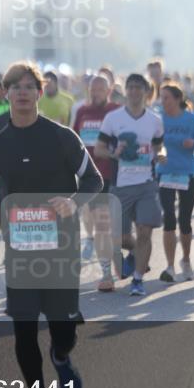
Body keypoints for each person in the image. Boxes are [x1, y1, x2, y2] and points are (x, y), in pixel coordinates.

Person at [0, 62, 102, 388]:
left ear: (40, 93)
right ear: (6, 93)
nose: (23, 92)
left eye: (30, 86)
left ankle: (61, 358)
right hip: (20, 249)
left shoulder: (61, 137)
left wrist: (73, 202)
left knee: (63, 331)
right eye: (16, 87)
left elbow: (93, 180)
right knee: (24, 328)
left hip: (60, 247)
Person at [94, 73, 164, 297]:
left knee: (145, 231)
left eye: (138, 88)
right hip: (120, 185)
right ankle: (135, 254)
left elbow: (159, 147)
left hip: (146, 184)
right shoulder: (113, 119)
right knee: (121, 237)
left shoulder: (155, 120)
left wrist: (161, 155)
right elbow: (99, 149)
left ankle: (138, 279)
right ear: (126, 91)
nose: (134, 91)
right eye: (130, 87)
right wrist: (114, 154)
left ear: (146, 91)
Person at [71, 74, 120, 291]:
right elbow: (73, 141)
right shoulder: (82, 111)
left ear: (108, 91)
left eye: (100, 89)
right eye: (92, 89)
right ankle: (106, 273)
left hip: (115, 175)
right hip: (90, 178)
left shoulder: (117, 112)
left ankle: (117, 261)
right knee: (101, 225)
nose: (95, 93)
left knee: (114, 226)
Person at [155, 82, 194, 283]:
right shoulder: (158, 119)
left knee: (184, 220)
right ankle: (169, 266)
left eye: (167, 97)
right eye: (161, 97)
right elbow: (155, 144)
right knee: (169, 217)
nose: (163, 101)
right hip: (166, 173)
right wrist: (159, 154)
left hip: (187, 174)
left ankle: (185, 260)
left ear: (177, 99)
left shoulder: (191, 119)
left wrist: (193, 143)